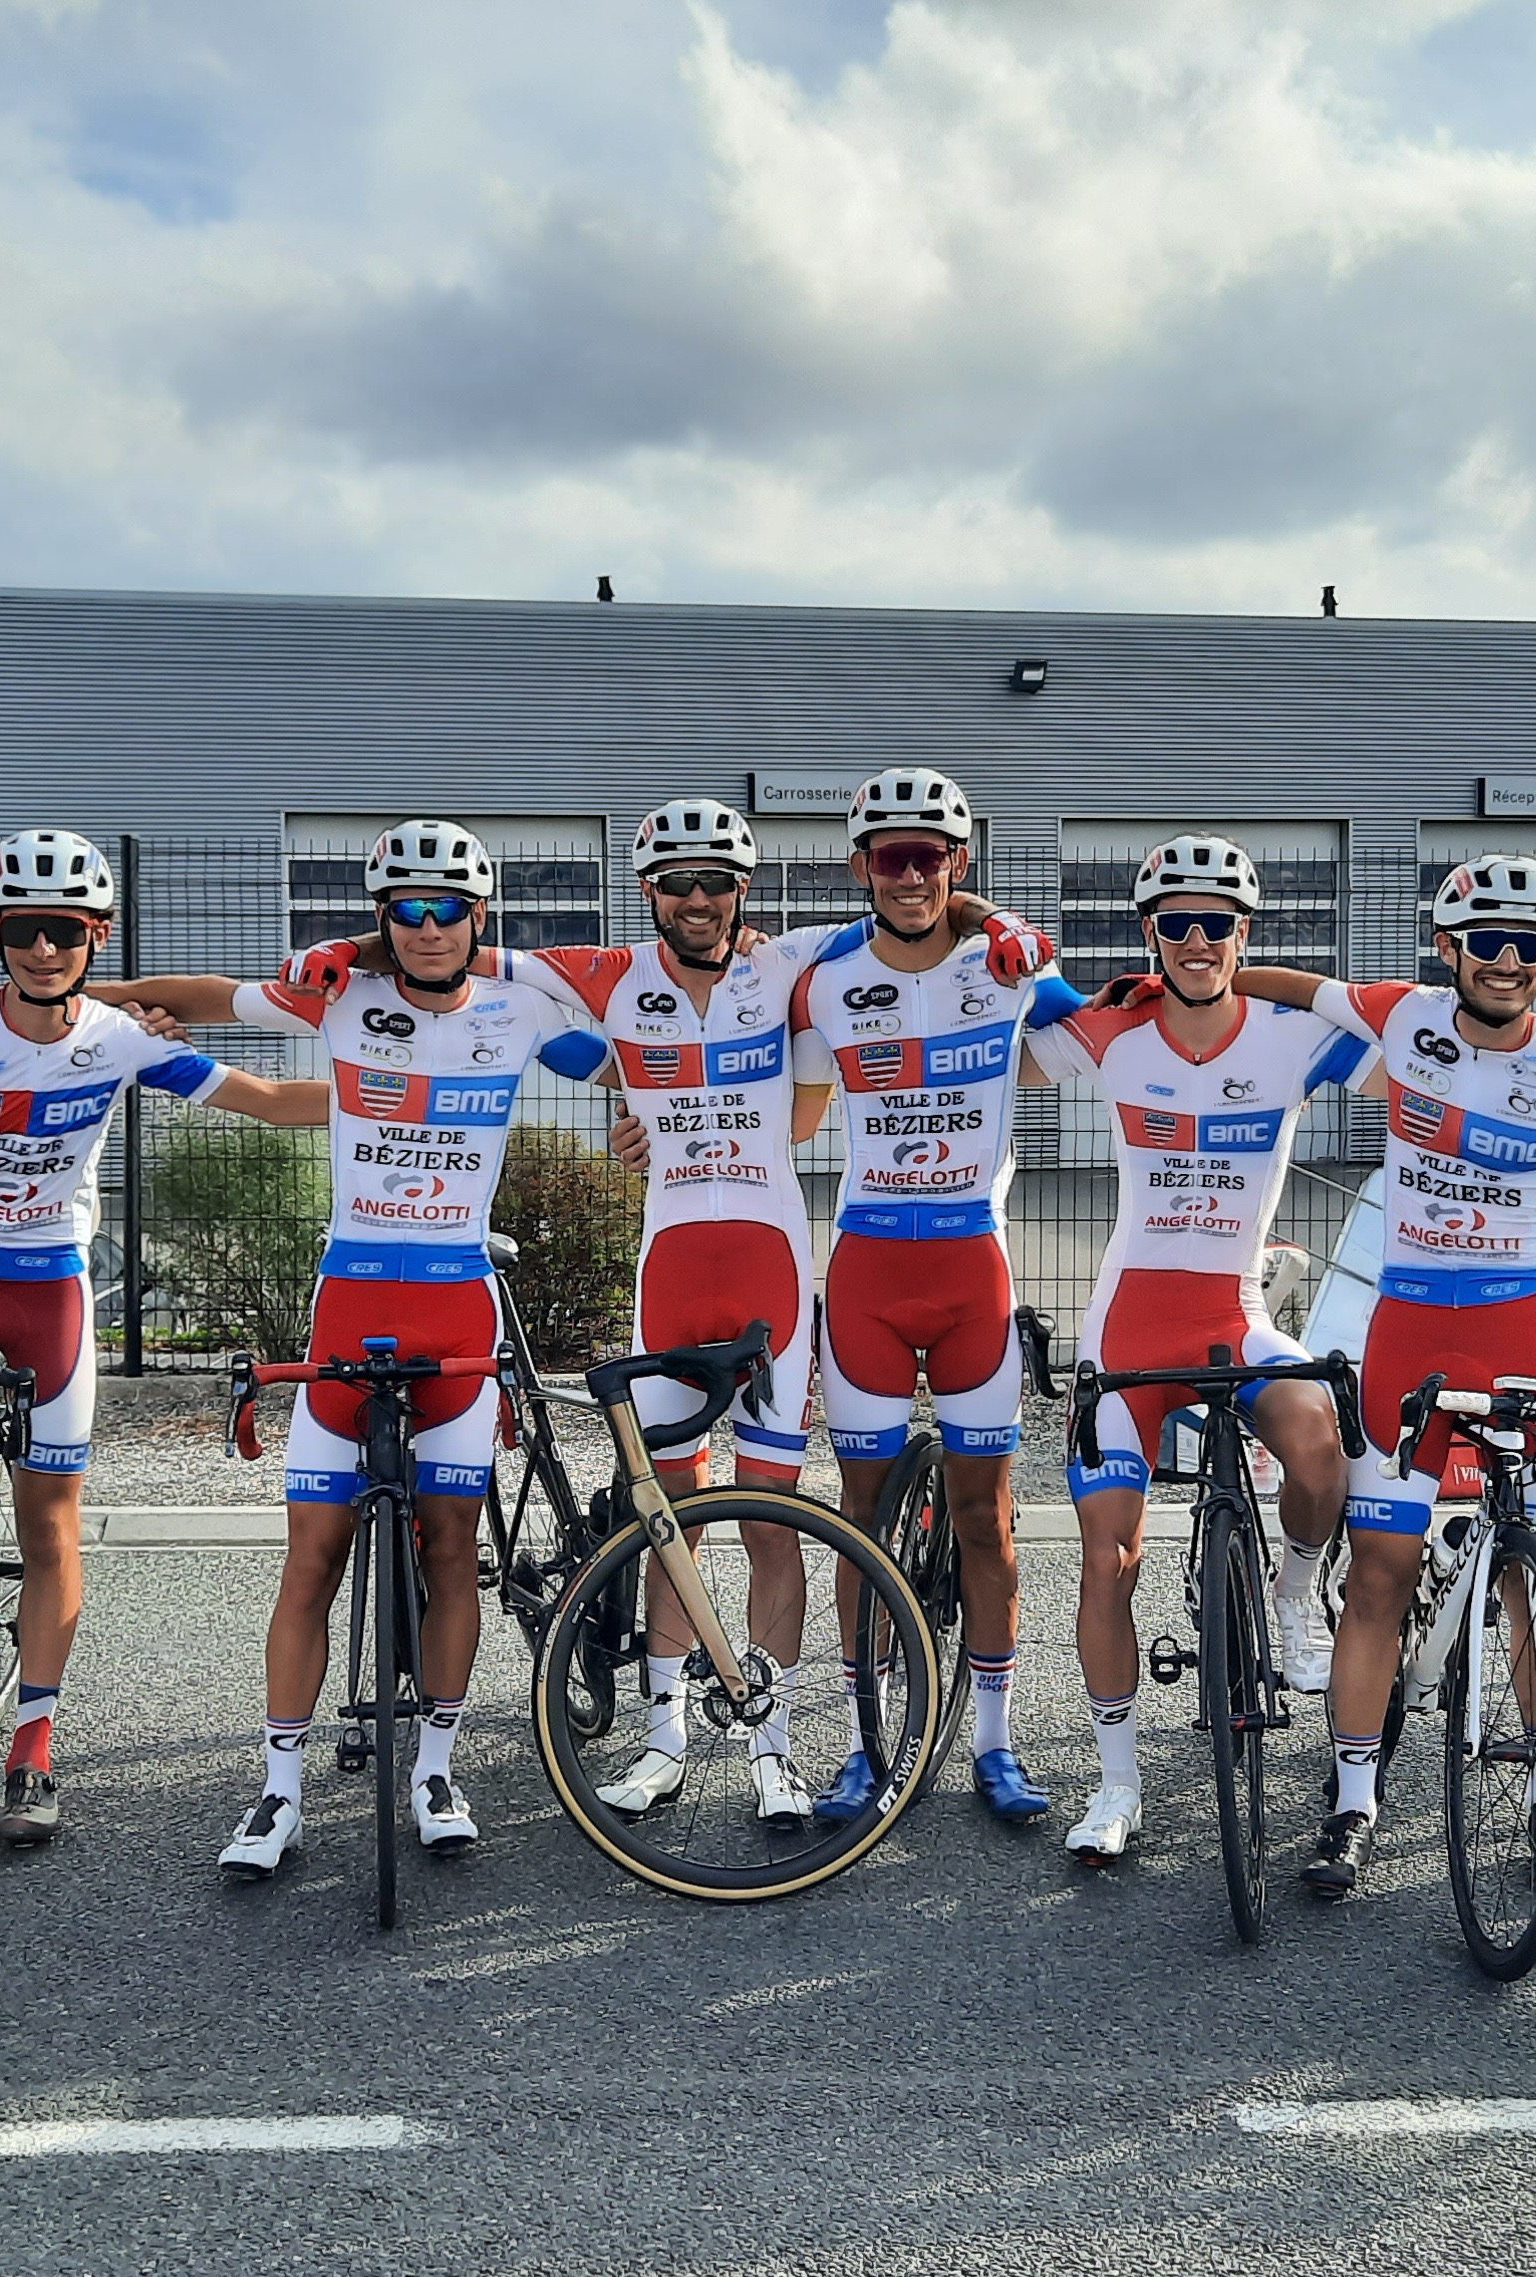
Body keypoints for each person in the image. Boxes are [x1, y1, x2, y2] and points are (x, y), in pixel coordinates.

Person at [97, 817, 608, 1873]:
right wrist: (69, 1002)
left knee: (452, 1552)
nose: (427, 928)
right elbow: (203, 998)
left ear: (480, 917)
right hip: (350, 1307)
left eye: (448, 909)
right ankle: (277, 1793)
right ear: (382, 919)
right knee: (311, 1564)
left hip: (456, 1310)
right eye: (405, 911)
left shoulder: (521, 1012)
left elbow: (645, 1052)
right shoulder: (336, 993)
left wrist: (661, 1107)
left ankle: (436, 1770)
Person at [0, 832, 329, 1848]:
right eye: (21, 930)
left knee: (50, 1527)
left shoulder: (122, 1038)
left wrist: (418, 1098)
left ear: (97, 936)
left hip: (48, 1295)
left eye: (65, 932)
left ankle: (34, 1745)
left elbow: (264, 1103)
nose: (43, 950)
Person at [1224, 853, 1536, 1894]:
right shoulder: (1402, 1016)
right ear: (1450, 948)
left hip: (1520, 1329)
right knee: (1382, 1572)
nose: (1508, 962)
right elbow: (1288, 986)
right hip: (1409, 1332)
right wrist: (1183, 976)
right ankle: (1348, 1806)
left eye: (1529, 946)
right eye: (1488, 942)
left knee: (1533, 1580)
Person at [1021, 836, 1377, 1863]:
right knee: (1106, 1562)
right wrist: (1039, 969)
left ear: (1244, 933)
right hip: (1129, 1326)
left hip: (1233, 1312)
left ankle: (1295, 1594)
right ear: (1148, 934)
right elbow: (986, 1044)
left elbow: (1421, 1038)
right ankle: (1116, 1785)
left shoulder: (1290, 1036)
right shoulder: (1115, 1030)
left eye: (1217, 922)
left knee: (1319, 1442)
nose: (1195, 939)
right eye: (1174, 923)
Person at [495, 800, 846, 1828]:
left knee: (773, 1522)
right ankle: (662, 1740)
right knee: (668, 1519)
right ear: (648, 890)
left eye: (717, 882)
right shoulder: (610, 978)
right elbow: (469, 956)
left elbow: (914, 919)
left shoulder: (785, 969)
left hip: (772, 1273)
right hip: (672, 1273)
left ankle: (773, 1749)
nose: (698, 899)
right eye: (678, 883)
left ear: (745, 890)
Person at [792, 766, 1081, 1824]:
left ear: (958, 864)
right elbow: (740, 1076)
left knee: (985, 1518)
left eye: (930, 856)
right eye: (889, 856)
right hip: (867, 1270)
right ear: (859, 865)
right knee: (859, 1519)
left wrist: (1014, 929)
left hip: (973, 1272)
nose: (909, 874)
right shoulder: (819, 975)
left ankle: (996, 1745)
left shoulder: (1007, 969)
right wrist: (651, 1123)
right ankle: (866, 1746)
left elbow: (1129, 1036)